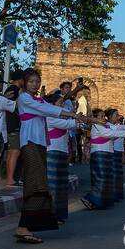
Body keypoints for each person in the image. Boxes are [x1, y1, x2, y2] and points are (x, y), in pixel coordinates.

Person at [14, 68, 66, 243]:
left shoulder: (38, 99)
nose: (34, 84)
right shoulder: (24, 98)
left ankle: (25, 226)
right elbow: (48, 110)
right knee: (35, 184)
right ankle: (23, 227)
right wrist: (72, 114)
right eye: (31, 81)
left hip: (39, 144)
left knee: (37, 184)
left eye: (37, 81)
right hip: (30, 143)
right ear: (24, 83)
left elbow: (47, 108)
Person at [44, 90, 77, 222]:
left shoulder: (61, 117)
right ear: (51, 105)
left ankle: (59, 214)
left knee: (61, 185)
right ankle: (51, 214)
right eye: (60, 103)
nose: (62, 106)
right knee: (53, 185)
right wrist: (79, 119)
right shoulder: (49, 117)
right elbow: (69, 124)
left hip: (62, 152)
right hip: (52, 151)